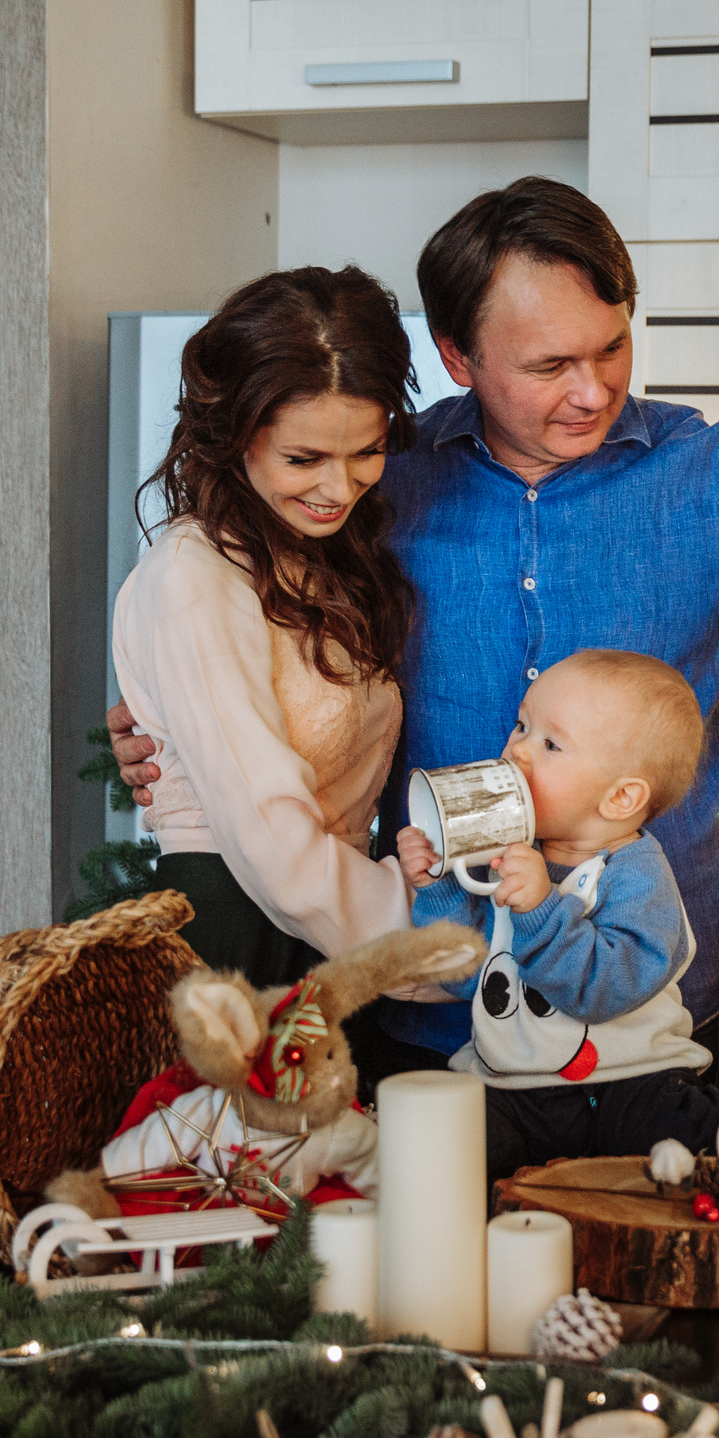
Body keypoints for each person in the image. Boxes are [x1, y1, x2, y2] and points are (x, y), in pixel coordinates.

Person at [111, 178, 719, 1059]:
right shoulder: (379, 478)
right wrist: (171, 738)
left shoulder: (710, 475)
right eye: (550, 364)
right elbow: (259, 640)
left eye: (612, 347)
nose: (593, 390)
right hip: (433, 1017)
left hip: (652, 1012)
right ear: (456, 357)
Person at [111, 266, 420, 988]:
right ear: (231, 433)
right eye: (303, 458)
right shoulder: (195, 575)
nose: (339, 488)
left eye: (366, 452)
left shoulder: (320, 554)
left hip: (326, 930)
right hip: (240, 936)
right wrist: (439, 941)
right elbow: (273, 847)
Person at [395, 650, 719, 1175]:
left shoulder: (637, 875)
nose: (519, 751)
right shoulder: (513, 857)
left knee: (693, 1138)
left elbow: (603, 991)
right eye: (522, 726)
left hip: (631, 1082)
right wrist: (437, 886)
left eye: (550, 744)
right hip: (511, 1090)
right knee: (448, 1147)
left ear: (621, 798)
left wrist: (539, 906)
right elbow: (468, 978)